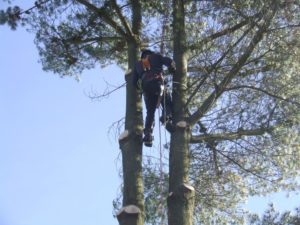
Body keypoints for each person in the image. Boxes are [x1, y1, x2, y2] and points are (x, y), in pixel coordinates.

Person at [132, 49, 175, 147]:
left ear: (142, 57)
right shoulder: (156, 57)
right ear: (150, 54)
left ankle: (148, 134)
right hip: (157, 84)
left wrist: (141, 89)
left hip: (147, 89)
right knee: (167, 101)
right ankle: (166, 116)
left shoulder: (138, 65)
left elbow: (134, 82)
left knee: (150, 112)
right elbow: (169, 62)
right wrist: (172, 68)